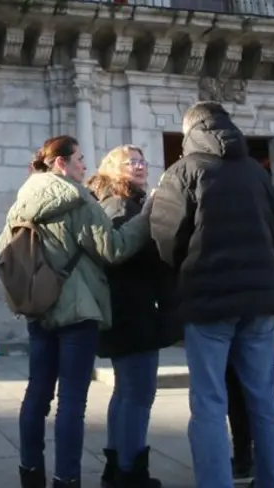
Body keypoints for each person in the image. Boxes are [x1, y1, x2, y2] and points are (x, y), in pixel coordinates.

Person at [147, 101, 274, 488]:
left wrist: (181, 272)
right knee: (264, 401)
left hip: (208, 303)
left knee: (210, 403)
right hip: (260, 304)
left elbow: (165, 236)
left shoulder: (183, 171)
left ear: (189, 131)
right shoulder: (257, 173)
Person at [0, 135, 151, 488]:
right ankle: (66, 479)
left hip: (39, 307)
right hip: (77, 311)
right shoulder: (78, 199)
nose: (85, 165)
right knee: (71, 402)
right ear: (60, 164)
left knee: (37, 394)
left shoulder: (21, 201)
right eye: (80, 159)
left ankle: (30, 472)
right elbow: (114, 248)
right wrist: (145, 217)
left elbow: (5, 249)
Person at [87, 145, 179, 488]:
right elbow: (123, 253)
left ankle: (116, 467)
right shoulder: (122, 204)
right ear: (114, 167)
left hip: (125, 309)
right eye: (131, 161)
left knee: (126, 392)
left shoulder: (121, 200)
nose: (139, 165)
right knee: (139, 394)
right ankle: (131, 471)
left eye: (142, 160)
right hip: (132, 310)